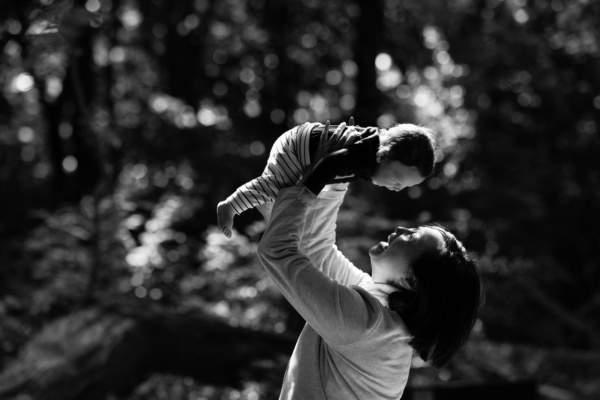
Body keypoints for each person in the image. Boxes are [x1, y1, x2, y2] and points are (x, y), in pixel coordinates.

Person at [256, 124, 483, 400]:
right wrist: (333, 174)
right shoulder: (379, 313)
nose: (401, 230)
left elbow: (277, 251)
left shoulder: (364, 325)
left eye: (411, 238)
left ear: (411, 280)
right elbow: (316, 250)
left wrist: (307, 188)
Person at [217, 118, 436, 237]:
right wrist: (309, 192)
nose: (397, 189)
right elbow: (331, 163)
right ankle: (230, 206)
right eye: (397, 181)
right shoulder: (362, 156)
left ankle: (252, 209)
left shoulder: (371, 154)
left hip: (303, 147)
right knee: (276, 187)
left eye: (403, 187)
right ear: (383, 156)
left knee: (278, 198)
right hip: (297, 148)